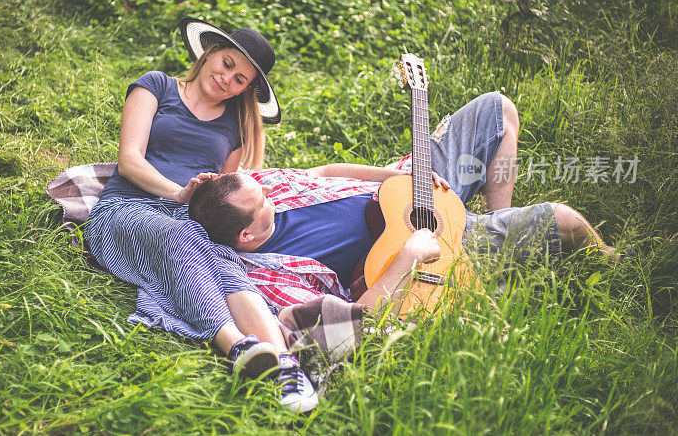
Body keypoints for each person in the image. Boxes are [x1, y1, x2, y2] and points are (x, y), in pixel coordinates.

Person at [85, 18, 318, 412]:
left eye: (240, 79)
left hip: (191, 224)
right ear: (209, 52)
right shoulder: (156, 85)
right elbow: (128, 161)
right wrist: (180, 194)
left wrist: (213, 201)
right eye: (227, 64)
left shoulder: (236, 128)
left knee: (226, 264)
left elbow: (222, 201)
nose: (228, 80)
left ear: (247, 89)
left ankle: (285, 367)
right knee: (181, 238)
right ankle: (236, 344)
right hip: (127, 208)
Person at [188, 165, 618, 312]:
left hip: (409, 187)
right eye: (262, 199)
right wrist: (408, 255)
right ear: (245, 234)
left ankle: (494, 222)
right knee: (565, 220)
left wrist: (398, 175)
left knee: (495, 110)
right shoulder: (268, 279)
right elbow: (349, 323)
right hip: (429, 250)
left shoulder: (266, 191)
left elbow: (324, 173)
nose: (270, 192)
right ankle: (617, 265)